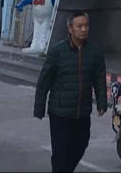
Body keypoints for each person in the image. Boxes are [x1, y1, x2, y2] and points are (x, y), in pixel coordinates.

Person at [34, 11, 107, 173]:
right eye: (79, 26)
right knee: (60, 151)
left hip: (82, 111)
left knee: (81, 144)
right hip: (60, 112)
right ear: (70, 28)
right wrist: (39, 108)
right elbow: (44, 81)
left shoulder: (95, 52)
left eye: (86, 26)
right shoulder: (57, 51)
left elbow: (99, 79)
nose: (84, 29)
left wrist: (102, 102)